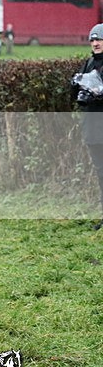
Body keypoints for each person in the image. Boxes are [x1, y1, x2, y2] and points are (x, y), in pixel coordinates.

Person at [75, 24, 103, 230]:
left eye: (99, 39)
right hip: (94, 128)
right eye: (92, 40)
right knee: (101, 173)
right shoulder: (90, 62)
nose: (95, 43)